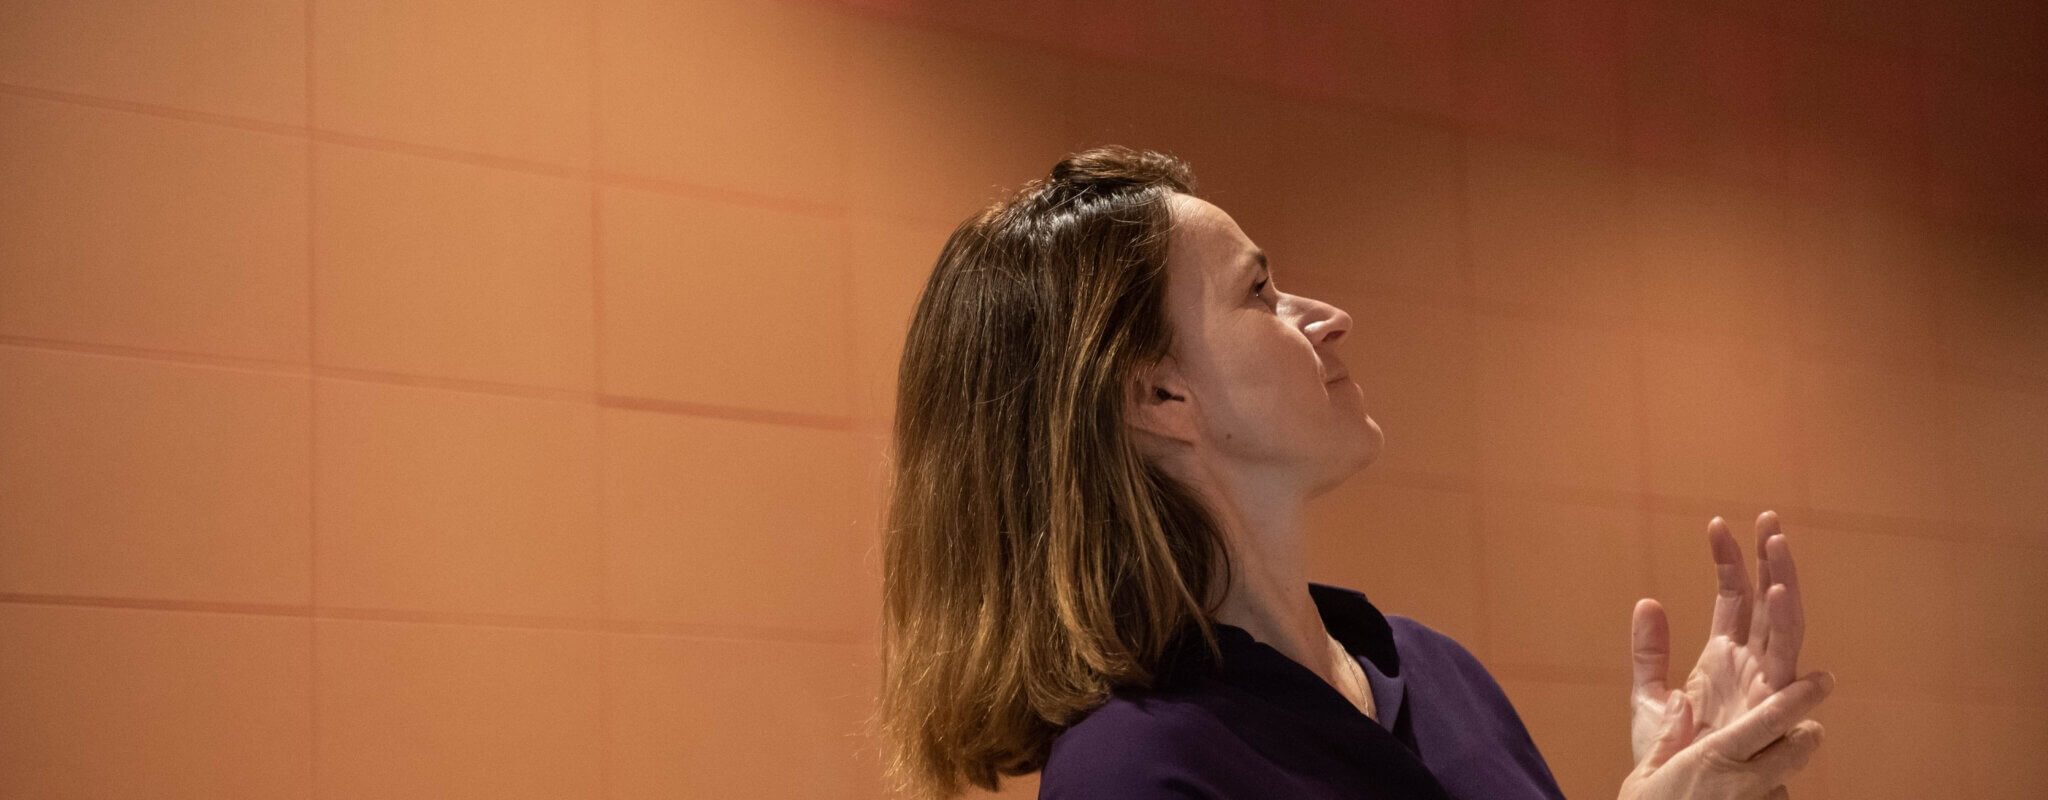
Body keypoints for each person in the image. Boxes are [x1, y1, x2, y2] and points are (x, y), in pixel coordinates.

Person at [874, 146, 1833, 800]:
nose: (1327, 317)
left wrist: (1712, 777)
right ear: (1158, 396)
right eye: (1261, 292)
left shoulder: (1436, 672)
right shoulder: (1135, 769)